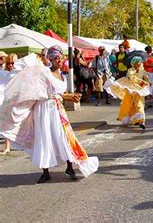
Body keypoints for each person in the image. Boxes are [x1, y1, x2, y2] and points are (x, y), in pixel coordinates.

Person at [0, 46, 99, 183]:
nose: (59, 60)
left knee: (64, 137)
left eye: (60, 57)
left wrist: (67, 96)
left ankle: (70, 166)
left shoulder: (63, 75)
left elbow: (58, 93)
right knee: (44, 138)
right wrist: (65, 96)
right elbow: (39, 90)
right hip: (43, 110)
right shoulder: (44, 72)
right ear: (50, 59)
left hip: (58, 110)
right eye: (56, 58)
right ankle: (45, 172)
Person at [108, 56, 150, 129]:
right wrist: (137, 76)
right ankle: (133, 120)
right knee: (129, 105)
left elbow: (147, 79)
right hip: (131, 90)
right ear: (134, 63)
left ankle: (142, 121)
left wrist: (147, 82)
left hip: (139, 91)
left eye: (140, 62)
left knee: (139, 105)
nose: (140, 64)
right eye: (138, 62)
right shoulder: (130, 70)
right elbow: (131, 78)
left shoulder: (143, 71)